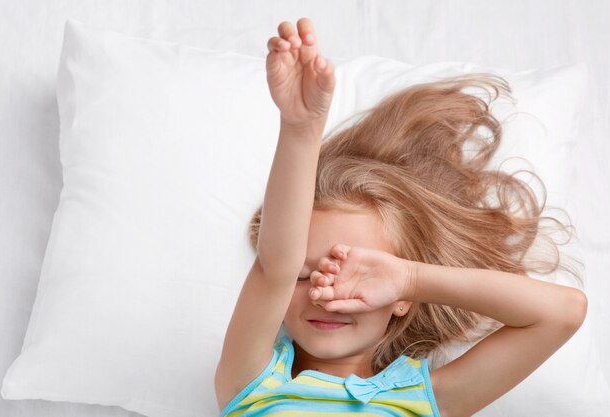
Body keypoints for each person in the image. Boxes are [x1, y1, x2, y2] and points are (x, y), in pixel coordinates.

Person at [214, 17, 588, 417]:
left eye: (354, 273)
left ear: (402, 302)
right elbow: (276, 264)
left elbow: (562, 313)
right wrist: (301, 128)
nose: (328, 295)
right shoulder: (252, 384)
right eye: (304, 276)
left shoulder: (429, 400)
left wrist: (409, 278)